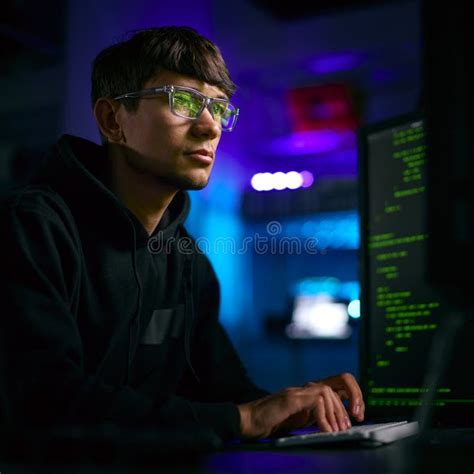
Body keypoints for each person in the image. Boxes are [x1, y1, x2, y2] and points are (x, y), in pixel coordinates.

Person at [0, 26, 364, 443]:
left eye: (220, 107)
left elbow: (228, 396)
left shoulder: (187, 262)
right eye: (185, 101)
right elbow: (41, 403)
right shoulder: (31, 228)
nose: (210, 127)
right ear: (112, 120)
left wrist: (298, 405)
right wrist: (244, 418)